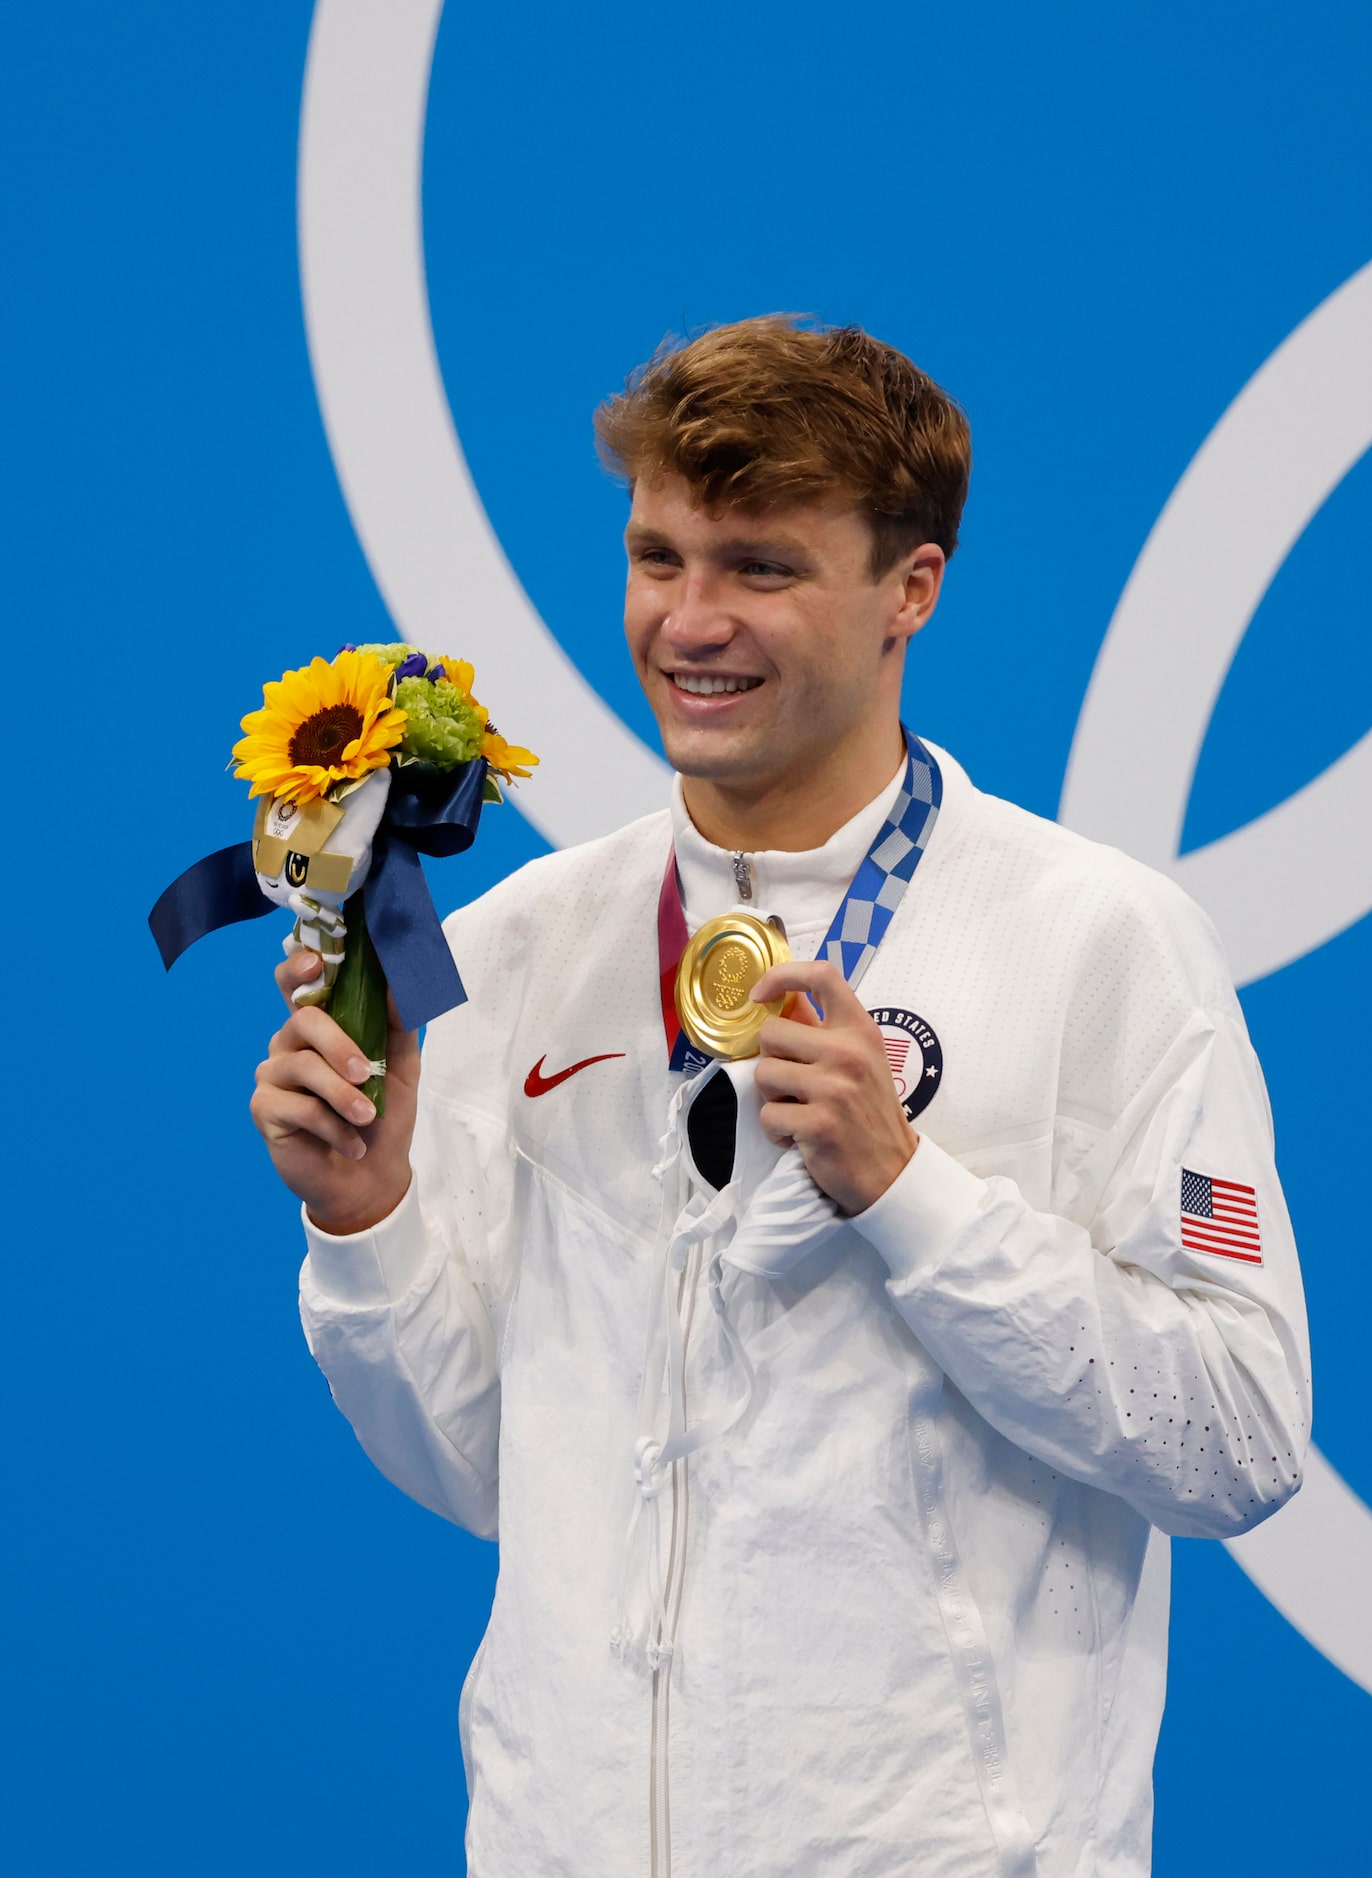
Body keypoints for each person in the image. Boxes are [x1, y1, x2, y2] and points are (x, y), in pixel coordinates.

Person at [251, 315, 1311, 1877]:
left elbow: (1234, 1437)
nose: (690, 621)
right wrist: (368, 1222)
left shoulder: (1096, 941)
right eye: (658, 557)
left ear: (911, 590)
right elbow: (486, 1471)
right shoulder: (508, 953)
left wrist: (913, 1195)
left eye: (759, 567)